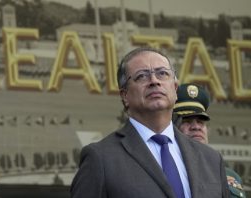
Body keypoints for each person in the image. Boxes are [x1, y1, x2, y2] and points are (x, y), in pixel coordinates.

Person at [70, 47, 229, 198]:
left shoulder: (211, 159)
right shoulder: (101, 159)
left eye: (162, 73)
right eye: (142, 76)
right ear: (125, 95)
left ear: (174, 88)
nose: (154, 81)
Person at [173, 83, 246, 198]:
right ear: (172, 128)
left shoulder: (227, 176)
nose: (196, 127)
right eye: (186, 121)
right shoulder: (165, 171)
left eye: (201, 122)